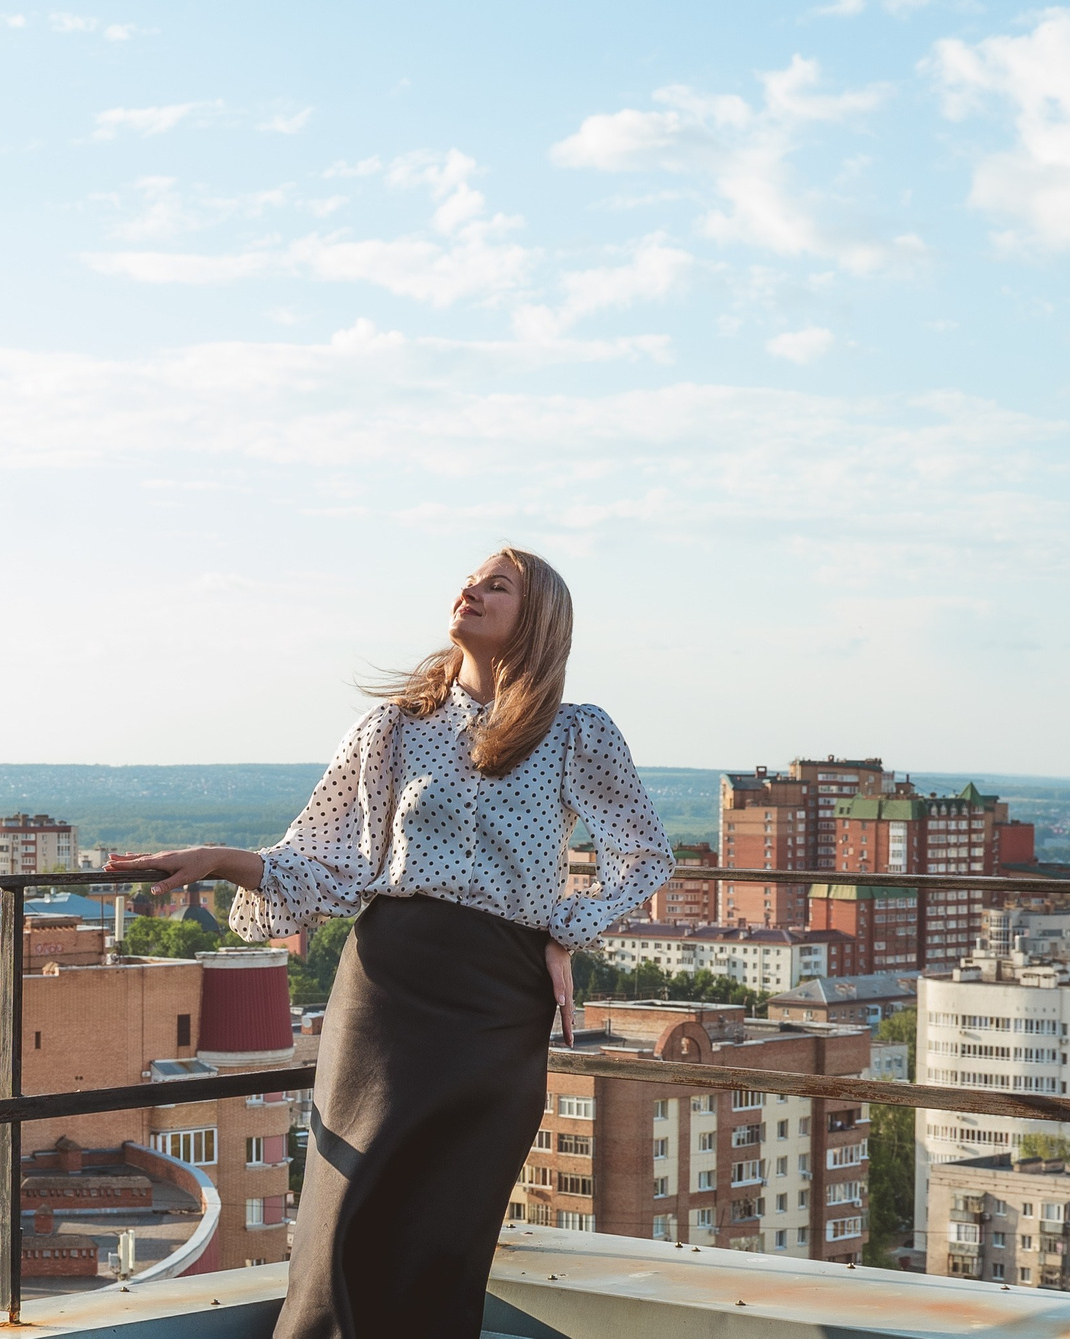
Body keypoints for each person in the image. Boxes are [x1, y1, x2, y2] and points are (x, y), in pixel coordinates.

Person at [112, 547, 673, 1339]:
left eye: (496, 585)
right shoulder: (394, 730)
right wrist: (220, 860)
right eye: (471, 578)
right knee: (347, 1218)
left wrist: (564, 926)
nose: (470, 589)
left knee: (446, 1228)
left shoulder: (577, 734)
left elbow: (645, 854)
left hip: (497, 1008)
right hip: (388, 992)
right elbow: (322, 864)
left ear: (538, 619)